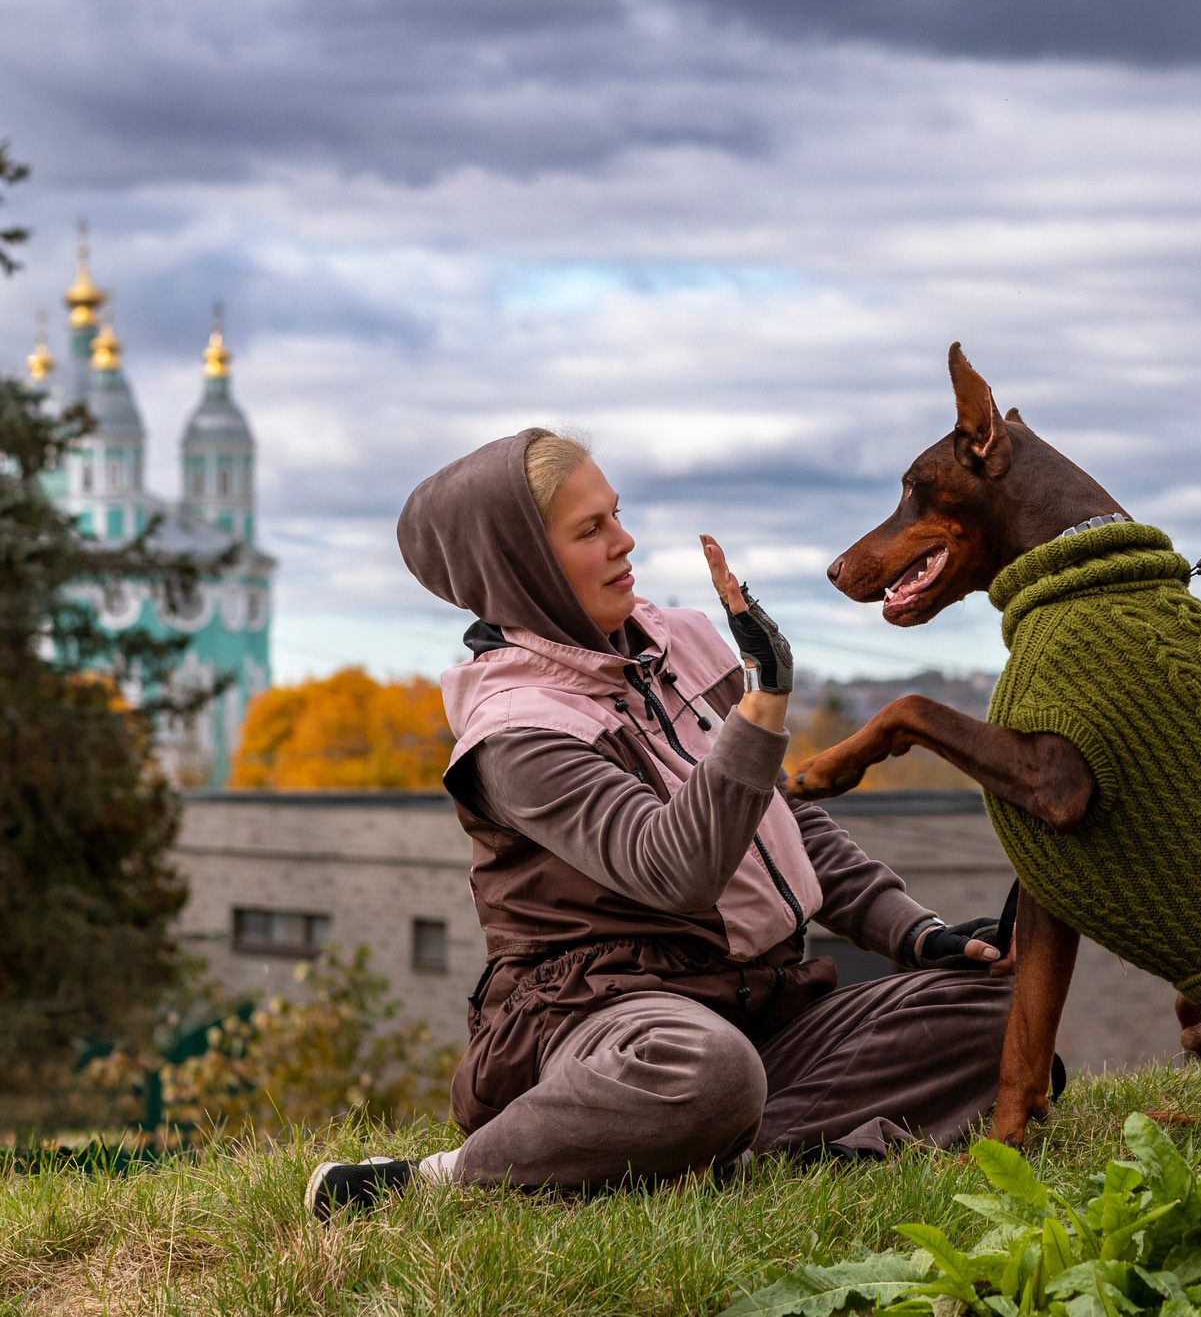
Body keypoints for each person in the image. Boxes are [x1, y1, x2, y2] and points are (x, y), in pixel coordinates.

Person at [306, 428, 1025, 1215]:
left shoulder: (679, 639)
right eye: (591, 529)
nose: (625, 540)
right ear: (524, 566)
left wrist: (917, 934)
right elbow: (673, 868)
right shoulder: (515, 730)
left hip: (761, 1004)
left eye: (616, 513)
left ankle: (707, 1153)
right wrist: (762, 704)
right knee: (706, 1071)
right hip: (611, 1020)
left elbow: (775, 815)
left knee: (1004, 1005)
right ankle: (443, 1176)